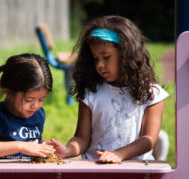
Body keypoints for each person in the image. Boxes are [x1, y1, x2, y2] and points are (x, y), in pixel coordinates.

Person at [50, 15, 169, 163]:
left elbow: (149, 139)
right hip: (96, 167)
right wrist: (67, 150)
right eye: (95, 59)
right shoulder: (91, 92)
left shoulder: (151, 93)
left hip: (136, 169)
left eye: (106, 57)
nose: (100, 64)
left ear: (126, 55)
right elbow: (82, 138)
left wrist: (119, 154)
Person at [0, 53, 55, 159]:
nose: (35, 106)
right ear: (8, 91)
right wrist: (20, 146)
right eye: (28, 100)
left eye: (41, 99)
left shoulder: (38, 114)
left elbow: (30, 145)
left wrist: (45, 147)